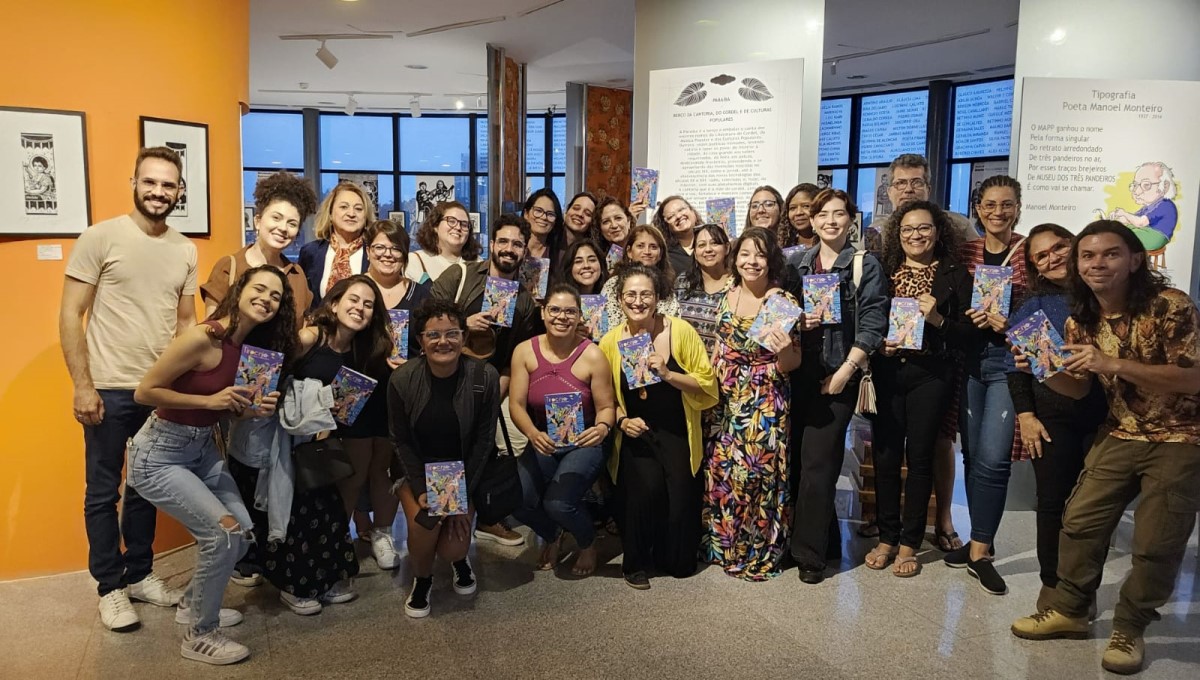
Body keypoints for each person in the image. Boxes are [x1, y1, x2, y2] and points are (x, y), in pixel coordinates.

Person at [1010, 220, 1200, 675]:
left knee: (1156, 541)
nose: (1097, 264)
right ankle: (1071, 610)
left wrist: (1113, 362)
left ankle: (1131, 627)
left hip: (1180, 435)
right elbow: (1077, 389)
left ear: (1135, 259)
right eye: (1088, 256)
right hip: (1120, 431)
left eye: (1110, 254)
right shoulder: (1083, 317)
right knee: (1078, 522)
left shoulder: (1169, 306)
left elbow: (1192, 378)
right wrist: (1043, 368)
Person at [59, 147, 198, 631]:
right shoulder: (100, 237)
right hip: (108, 387)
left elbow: (186, 324)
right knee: (102, 492)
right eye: (151, 182)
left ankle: (139, 574)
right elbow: (69, 315)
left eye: (168, 184)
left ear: (179, 190)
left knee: (145, 488)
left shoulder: (185, 249)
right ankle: (110, 587)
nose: (159, 192)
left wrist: (189, 387)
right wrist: (83, 385)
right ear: (134, 182)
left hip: (157, 392)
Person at [127, 266, 295, 665]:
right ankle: (199, 635)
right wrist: (211, 402)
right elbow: (144, 391)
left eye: (276, 296)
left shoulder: (247, 348)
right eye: (259, 289)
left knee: (241, 533)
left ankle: (193, 604)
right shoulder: (204, 336)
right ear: (239, 291)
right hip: (160, 454)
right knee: (221, 535)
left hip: (201, 450)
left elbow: (224, 406)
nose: (267, 299)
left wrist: (248, 411)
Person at [229, 275, 390, 615]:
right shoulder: (311, 337)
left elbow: (344, 408)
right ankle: (294, 585)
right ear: (334, 302)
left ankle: (320, 578)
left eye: (368, 304)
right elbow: (270, 368)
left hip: (316, 444)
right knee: (294, 512)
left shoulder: (362, 351)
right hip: (280, 439)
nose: (359, 308)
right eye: (353, 299)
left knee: (325, 512)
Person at [866, 201, 973, 578]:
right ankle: (886, 536)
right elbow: (868, 318)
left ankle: (910, 542)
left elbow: (967, 334)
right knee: (885, 455)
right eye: (908, 229)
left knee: (921, 456)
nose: (916, 235)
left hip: (932, 374)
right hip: (888, 371)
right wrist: (880, 343)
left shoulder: (955, 275)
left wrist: (937, 318)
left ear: (938, 231)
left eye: (923, 228)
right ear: (898, 233)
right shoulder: (883, 271)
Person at [1004, 223, 1107, 611]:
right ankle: (1052, 583)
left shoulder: (1106, 296)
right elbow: (1015, 368)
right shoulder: (1032, 306)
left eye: (1059, 247)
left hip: (1107, 418)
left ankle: (1084, 586)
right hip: (1053, 417)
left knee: (1096, 506)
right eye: (1041, 256)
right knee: (1051, 502)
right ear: (1034, 267)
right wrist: (1026, 416)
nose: (1053, 258)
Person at [786, 189, 887, 584]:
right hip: (799, 373)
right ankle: (822, 540)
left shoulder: (865, 265)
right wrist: (799, 322)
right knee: (798, 461)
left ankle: (808, 558)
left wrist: (847, 371)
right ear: (811, 222)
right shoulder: (798, 266)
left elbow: (874, 322)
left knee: (819, 462)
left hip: (840, 373)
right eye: (822, 214)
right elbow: (782, 314)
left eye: (838, 213)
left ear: (850, 220)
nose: (830, 220)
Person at [599, 264, 719, 589]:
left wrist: (668, 374)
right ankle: (635, 562)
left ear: (657, 298)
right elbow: (604, 394)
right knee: (642, 490)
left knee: (681, 494)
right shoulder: (610, 342)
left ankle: (674, 557)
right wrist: (623, 420)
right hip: (636, 430)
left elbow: (707, 385)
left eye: (645, 295)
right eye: (631, 295)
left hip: (678, 428)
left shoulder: (680, 331)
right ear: (620, 300)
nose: (638, 302)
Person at [432, 214, 543, 546]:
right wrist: (464, 325)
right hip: (441, 384)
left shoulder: (522, 300)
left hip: (487, 390)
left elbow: (514, 360)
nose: (510, 249)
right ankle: (440, 534)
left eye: (518, 245)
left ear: (525, 252)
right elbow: (425, 323)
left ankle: (480, 523)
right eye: (504, 242)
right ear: (492, 244)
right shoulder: (461, 275)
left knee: (484, 457)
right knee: (446, 459)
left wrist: (495, 396)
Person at [943, 175, 1030, 595]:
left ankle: (980, 554)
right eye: (990, 205)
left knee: (995, 459)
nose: (998, 212)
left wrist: (1008, 324)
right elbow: (954, 302)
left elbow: (1045, 314)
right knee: (973, 455)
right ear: (977, 208)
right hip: (969, 360)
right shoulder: (966, 252)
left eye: (1007, 204)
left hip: (1007, 364)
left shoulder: (1030, 253)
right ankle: (981, 538)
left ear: (1018, 207)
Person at [387, 298, 500, 618]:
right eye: (433, 335)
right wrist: (422, 487)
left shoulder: (484, 376)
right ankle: (422, 579)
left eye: (452, 333)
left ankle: (459, 561)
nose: (443, 341)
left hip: (463, 472)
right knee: (425, 528)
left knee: (453, 544)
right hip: (418, 470)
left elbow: (484, 441)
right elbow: (400, 440)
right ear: (420, 340)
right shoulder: (402, 380)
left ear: (464, 336)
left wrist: (462, 496)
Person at [702, 228, 801, 580]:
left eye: (759, 254)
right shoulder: (728, 294)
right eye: (745, 254)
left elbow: (792, 363)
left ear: (770, 259)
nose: (751, 261)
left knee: (757, 473)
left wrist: (784, 346)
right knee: (724, 470)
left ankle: (759, 548)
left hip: (764, 394)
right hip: (725, 395)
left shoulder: (781, 301)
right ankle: (727, 545)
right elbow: (719, 343)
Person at [508, 283, 617, 576]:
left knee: (559, 502)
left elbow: (608, 406)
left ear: (579, 316)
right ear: (543, 313)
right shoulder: (524, 352)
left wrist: (603, 427)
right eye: (554, 310)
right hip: (543, 437)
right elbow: (516, 404)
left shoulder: (592, 355)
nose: (561, 317)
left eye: (570, 311)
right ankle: (554, 533)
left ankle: (586, 542)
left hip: (585, 440)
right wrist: (532, 433)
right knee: (517, 499)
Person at [348, 219, 432, 570]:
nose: (387, 254)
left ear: (405, 254)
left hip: (401, 391)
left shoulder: (421, 293)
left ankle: (382, 532)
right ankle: (352, 529)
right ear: (369, 250)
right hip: (356, 387)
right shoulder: (354, 288)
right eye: (380, 247)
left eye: (395, 248)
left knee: (385, 465)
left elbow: (434, 335)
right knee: (354, 465)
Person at [201, 172, 317, 325]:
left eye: (292, 223)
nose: (283, 228)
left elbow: (300, 330)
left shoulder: (297, 275)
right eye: (276, 217)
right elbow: (211, 330)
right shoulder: (230, 267)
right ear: (258, 220)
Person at [860, 154, 978, 254]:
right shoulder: (875, 231)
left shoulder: (959, 225)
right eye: (901, 183)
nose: (908, 189)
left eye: (916, 182)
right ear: (889, 192)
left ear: (928, 190)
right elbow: (865, 272)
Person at [299, 180, 375, 308]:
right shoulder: (310, 252)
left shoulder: (374, 253)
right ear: (330, 214)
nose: (351, 214)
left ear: (365, 217)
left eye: (358, 209)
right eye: (344, 207)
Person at [600, 224, 679, 332]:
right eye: (640, 246)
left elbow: (674, 326)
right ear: (629, 252)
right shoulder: (613, 284)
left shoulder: (667, 289)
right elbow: (606, 326)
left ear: (660, 255)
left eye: (653, 247)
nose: (647, 251)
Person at [674, 223, 732, 355]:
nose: (708, 249)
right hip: (687, 367)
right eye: (701, 245)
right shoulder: (683, 282)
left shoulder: (738, 283)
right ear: (695, 253)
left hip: (724, 367)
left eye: (715, 243)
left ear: (727, 248)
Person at [405, 200, 481, 285]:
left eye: (464, 224)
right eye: (452, 221)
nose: (458, 227)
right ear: (435, 226)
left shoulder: (477, 263)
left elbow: (493, 296)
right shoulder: (415, 260)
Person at [1108, 161, 1178, 252]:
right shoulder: (1147, 207)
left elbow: (1140, 222)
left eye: (1146, 185)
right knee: (1124, 230)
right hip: (1146, 231)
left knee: (1124, 235)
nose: (1136, 191)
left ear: (1165, 187)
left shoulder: (1165, 205)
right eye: (1135, 185)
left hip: (1157, 236)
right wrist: (1114, 220)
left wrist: (1124, 213)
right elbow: (1131, 220)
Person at [653, 195, 702, 277]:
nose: (678, 216)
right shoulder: (664, 255)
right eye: (671, 216)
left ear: (692, 211)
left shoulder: (713, 244)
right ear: (665, 225)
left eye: (681, 209)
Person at [523, 188, 566, 267]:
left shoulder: (562, 258)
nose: (544, 217)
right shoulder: (513, 249)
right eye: (538, 211)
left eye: (550, 214)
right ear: (526, 214)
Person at [782, 183, 820, 250]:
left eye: (806, 206)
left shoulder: (831, 246)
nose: (798, 212)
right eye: (793, 208)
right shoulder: (782, 247)